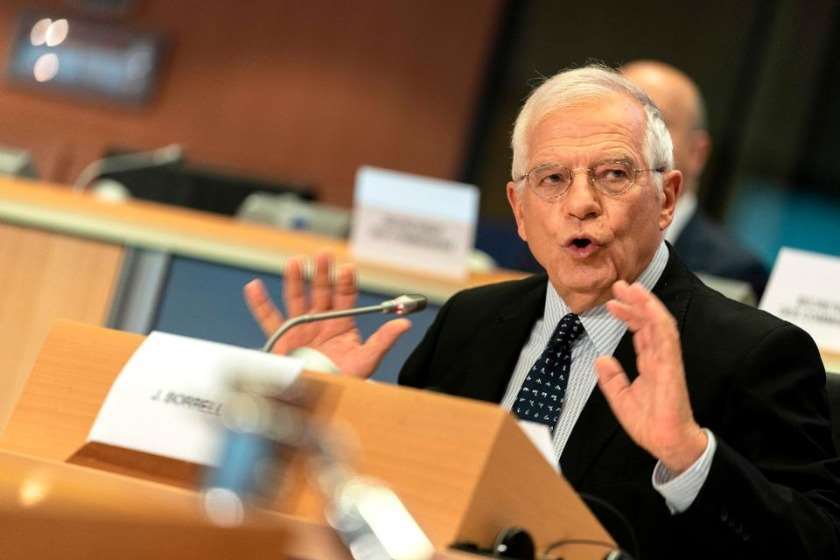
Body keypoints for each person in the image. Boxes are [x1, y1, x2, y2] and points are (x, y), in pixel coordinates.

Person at [243, 65, 840, 559]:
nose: (580, 204)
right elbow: (401, 506)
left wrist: (690, 456)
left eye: (613, 175)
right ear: (520, 210)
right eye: (552, 179)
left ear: (667, 198)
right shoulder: (470, 322)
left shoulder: (753, 352)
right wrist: (338, 406)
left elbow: (815, 545)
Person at [621, 60, 770, 299]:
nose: (630, 135)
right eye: (620, 119)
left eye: (656, 121)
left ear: (697, 153)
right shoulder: (563, 244)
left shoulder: (736, 272)